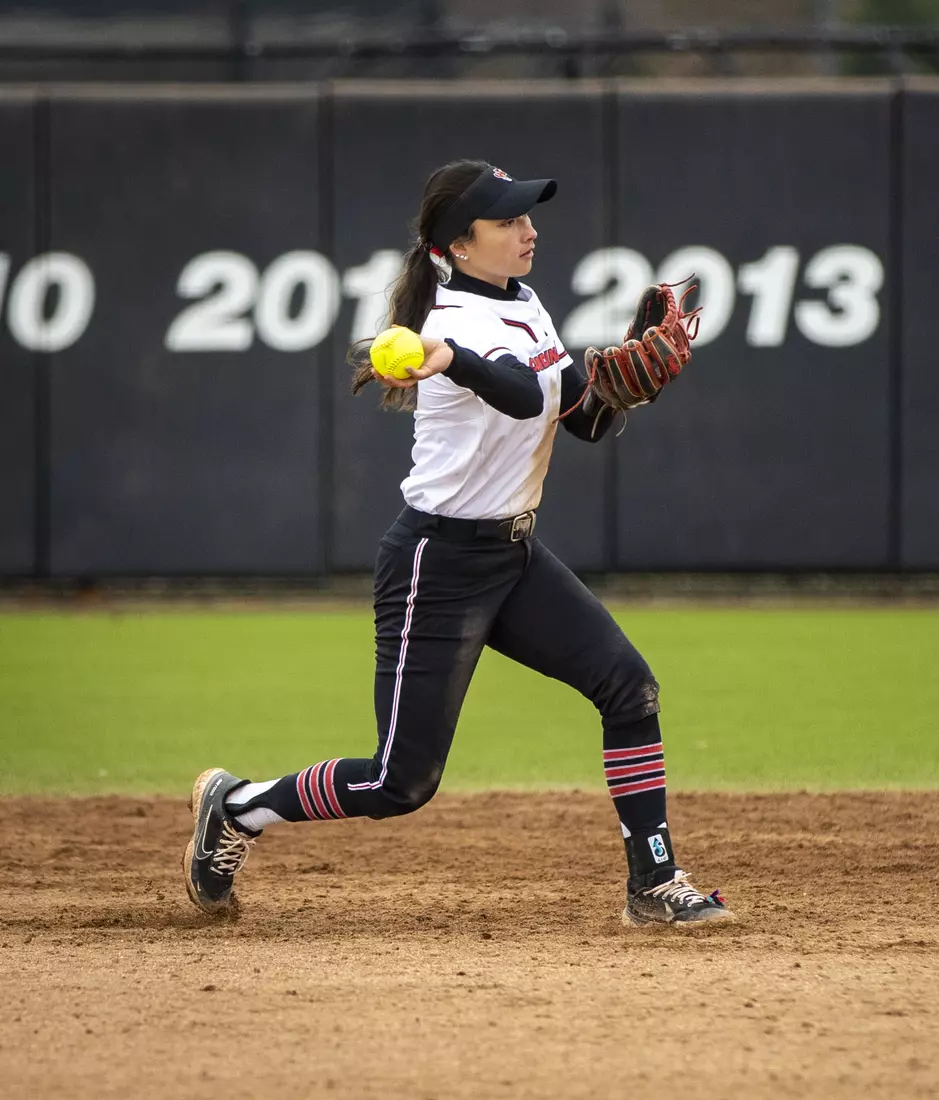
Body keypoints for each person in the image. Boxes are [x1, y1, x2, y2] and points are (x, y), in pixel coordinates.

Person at [183, 159, 730, 927]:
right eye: (506, 220)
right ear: (456, 246)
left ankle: (655, 882)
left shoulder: (524, 302)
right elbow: (509, 394)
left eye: (526, 215)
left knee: (628, 687)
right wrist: (449, 361)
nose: (527, 229)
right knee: (397, 784)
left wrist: (622, 388)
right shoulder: (448, 325)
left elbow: (576, 418)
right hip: (436, 565)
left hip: (512, 554)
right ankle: (237, 808)